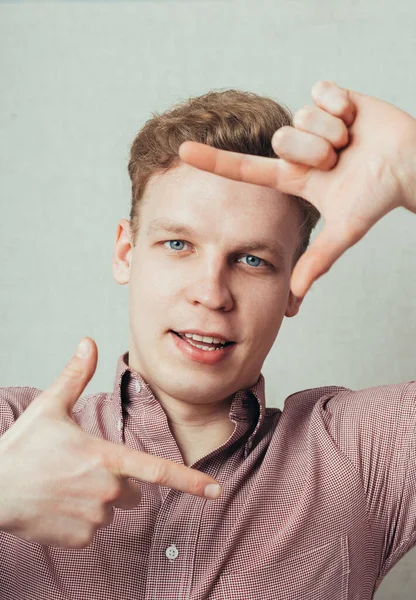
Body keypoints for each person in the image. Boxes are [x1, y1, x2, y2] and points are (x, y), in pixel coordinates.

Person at [0, 80, 414, 600]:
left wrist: (412, 167)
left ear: (296, 282)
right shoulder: (9, 434)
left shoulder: (357, 459)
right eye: (178, 244)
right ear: (126, 253)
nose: (212, 293)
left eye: (252, 260)